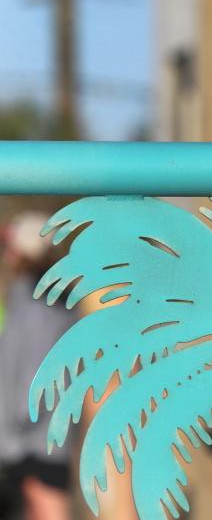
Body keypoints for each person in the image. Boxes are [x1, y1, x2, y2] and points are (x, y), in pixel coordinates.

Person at [0, 212, 73, 520]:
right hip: (43, 437)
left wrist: (12, 434)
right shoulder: (55, 301)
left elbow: (28, 374)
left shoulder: (33, 304)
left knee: (48, 510)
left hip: (32, 442)